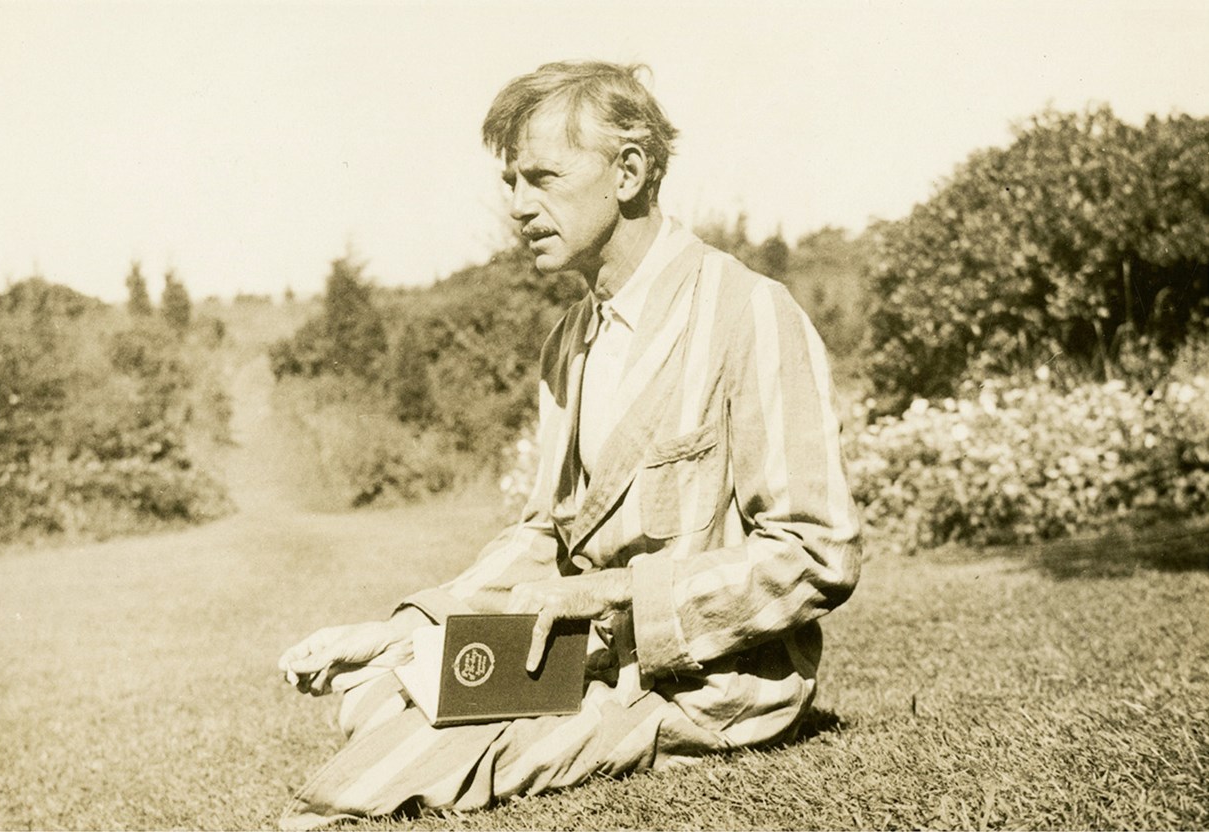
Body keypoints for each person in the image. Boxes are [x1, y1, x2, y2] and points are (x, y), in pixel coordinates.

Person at [277, 60, 860, 829]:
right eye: (511, 182)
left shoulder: (749, 311)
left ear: (629, 171)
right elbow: (547, 535)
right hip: (583, 662)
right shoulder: (569, 341)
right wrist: (401, 630)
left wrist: (617, 593)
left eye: (542, 178)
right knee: (379, 687)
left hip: (709, 684)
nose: (518, 207)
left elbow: (818, 555)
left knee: (373, 784)